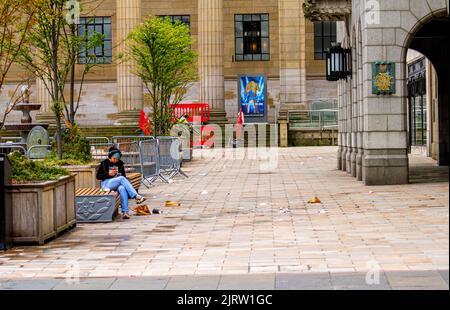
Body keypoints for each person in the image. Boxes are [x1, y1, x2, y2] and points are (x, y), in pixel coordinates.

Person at [96, 145, 146, 219]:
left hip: (118, 183)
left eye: (118, 159)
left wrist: (118, 175)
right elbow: (98, 176)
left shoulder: (120, 164)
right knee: (121, 178)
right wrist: (108, 174)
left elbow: (124, 176)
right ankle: (136, 196)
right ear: (110, 156)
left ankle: (125, 212)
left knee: (122, 188)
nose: (116, 160)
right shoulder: (104, 163)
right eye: (114, 158)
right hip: (106, 184)